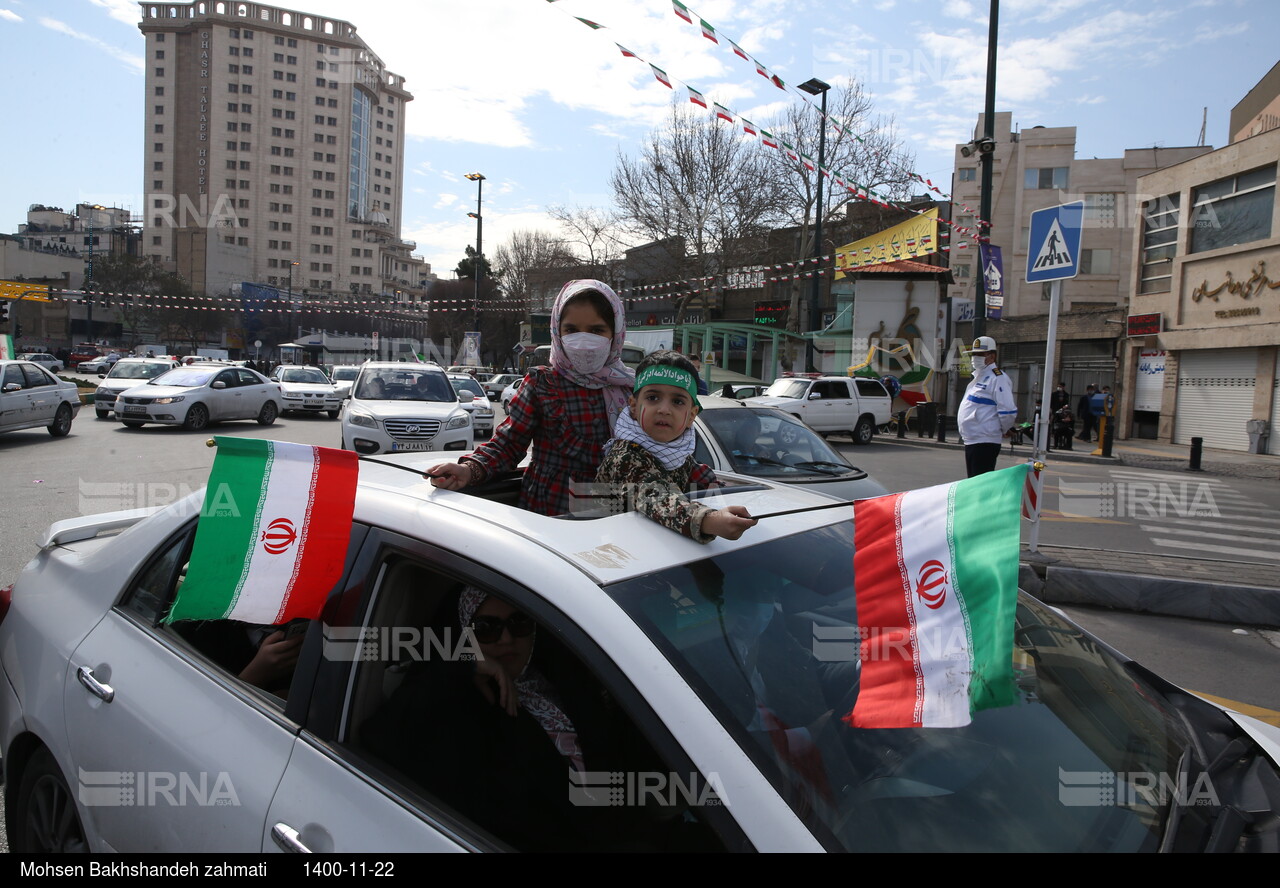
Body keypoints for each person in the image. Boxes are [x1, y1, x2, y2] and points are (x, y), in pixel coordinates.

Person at [426, 280, 634, 516]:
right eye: (572, 330)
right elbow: (509, 443)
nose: (583, 340)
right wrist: (469, 469)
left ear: (615, 333)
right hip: (553, 512)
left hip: (614, 516)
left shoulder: (631, 388)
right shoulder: (543, 384)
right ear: (557, 330)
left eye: (596, 330)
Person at [596, 350, 756, 542]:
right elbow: (655, 497)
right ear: (633, 406)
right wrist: (708, 520)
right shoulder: (625, 457)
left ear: (691, 415)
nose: (664, 410)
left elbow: (704, 481)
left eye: (678, 401)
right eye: (653, 398)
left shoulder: (677, 453)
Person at [957, 336, 1018, 477]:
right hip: (974, 439)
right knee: (974, 482)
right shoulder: (979, 377)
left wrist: (1005, 429)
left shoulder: (998, 378)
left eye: (980, 354)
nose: (975, 358)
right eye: (974, 354)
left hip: (985, 440)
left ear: (992, 356)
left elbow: (1007, 410)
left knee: (980, 485)